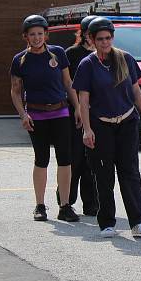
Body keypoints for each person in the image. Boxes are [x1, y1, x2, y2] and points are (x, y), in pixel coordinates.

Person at [73, 16, 141, 238]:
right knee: (104, 175)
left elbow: (136, 91)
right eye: (100, 39)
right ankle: (107, 222)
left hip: (127, 123)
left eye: (108, 38)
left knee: (130, 172)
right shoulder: (87, 65)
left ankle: (138, 222)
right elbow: (84, 101)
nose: (105, 42)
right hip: (101, 126)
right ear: (91, 39)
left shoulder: (125, 59)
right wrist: (87, 130)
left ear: (113, 38)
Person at [10, 14, 81, 223]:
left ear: (46, 35)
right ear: (26, 36)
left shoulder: (58, 53)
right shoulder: (20, 60)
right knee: (41, 160)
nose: (36, 37)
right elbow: (15, 91)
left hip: (60, 113)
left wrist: (77, 108)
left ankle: (65, 206)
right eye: (32, 34)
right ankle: (40, 206)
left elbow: (68, 83)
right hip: (36, 116)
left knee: (65, 159)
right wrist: (23, 115)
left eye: (40, 33)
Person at [57, 15, 99, 216]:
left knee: (93, 159)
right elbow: (69, 83)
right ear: (83, 34)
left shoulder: (106, 54)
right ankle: (66, 200)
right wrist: (78, 108)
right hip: (75, 112)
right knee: (75, 157)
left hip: (98, 113)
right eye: (92, 34)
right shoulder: (71, 53)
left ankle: (91, 203)